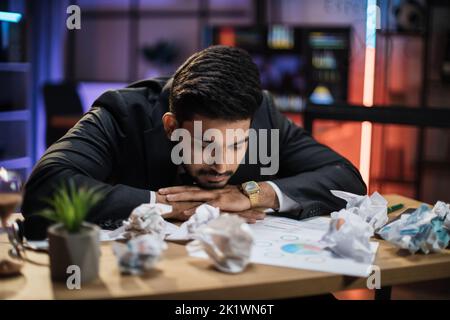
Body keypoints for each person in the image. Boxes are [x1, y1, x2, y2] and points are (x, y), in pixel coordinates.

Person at [22, 45, 366, 240]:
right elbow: (46, 187)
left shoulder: (262, 111)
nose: (222, 164)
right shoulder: (123, 112)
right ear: (171, 126)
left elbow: (345, 177)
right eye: (206, 145)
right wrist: (165, 205)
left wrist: (252, 193)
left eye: (237, 144)